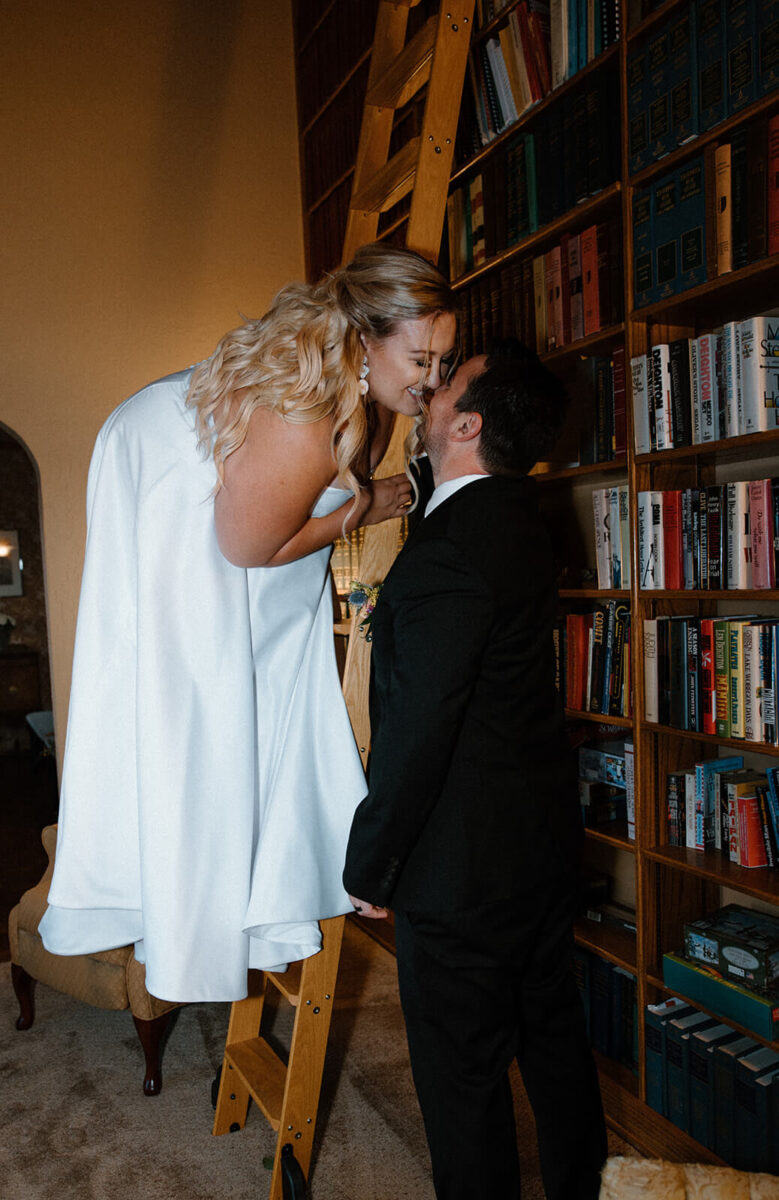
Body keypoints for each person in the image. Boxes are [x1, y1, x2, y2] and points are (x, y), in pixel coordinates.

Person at [39, 243, 457, 1004]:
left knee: (206, 718)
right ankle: (210, 910)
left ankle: (228, 893)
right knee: (206, 724)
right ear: (366, 339)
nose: (431, 381)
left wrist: (359, 496)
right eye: (422, 359)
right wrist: (357, 510)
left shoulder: (318, 371)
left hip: (165, 488)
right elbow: (247, 547)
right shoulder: (314, 413)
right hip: (196, 538)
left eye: (442, 362)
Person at [343, 342, 609, 1200]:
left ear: (466, 424)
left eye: (445, 382)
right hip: (537, 844)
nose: (425, 386)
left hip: (464, 869)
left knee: (462, 1082)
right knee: (554, 1045)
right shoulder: (523, 517)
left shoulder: (451, 550)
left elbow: (419, 732)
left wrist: (372, 861)